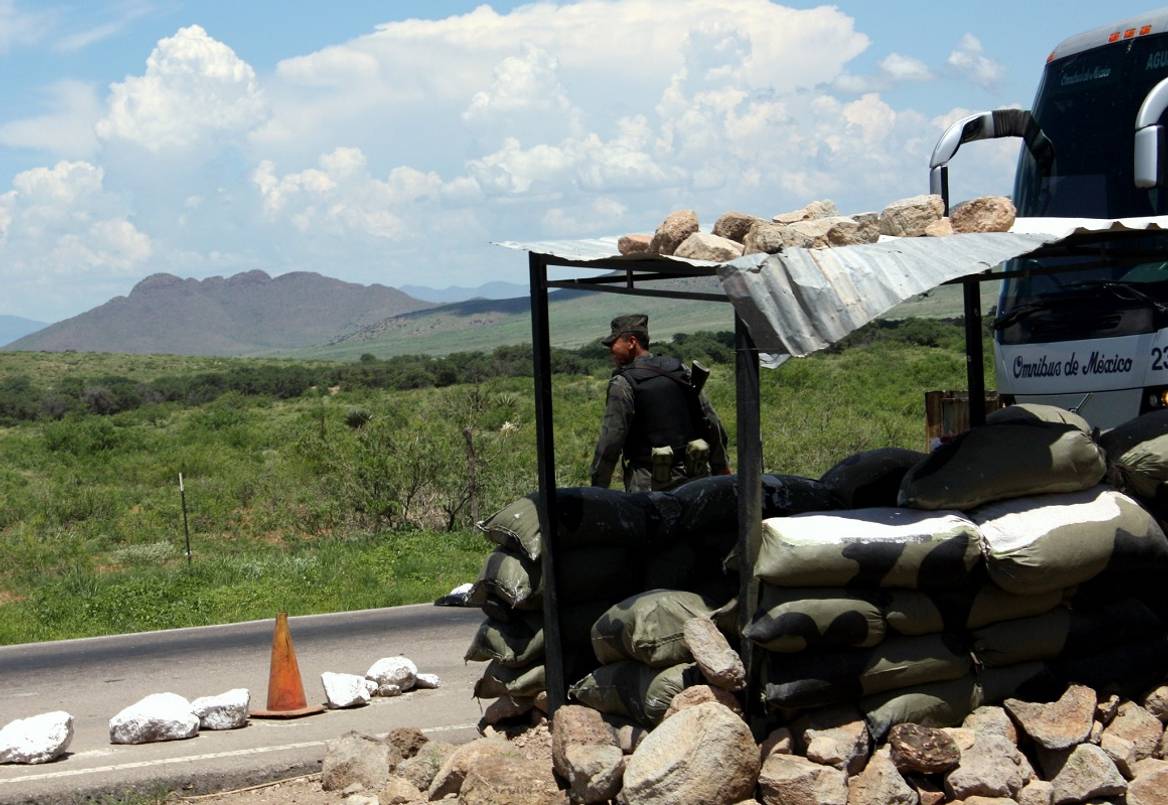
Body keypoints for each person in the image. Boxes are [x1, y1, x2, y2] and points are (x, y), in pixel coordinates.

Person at [590, 314, 731, 492]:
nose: (611, 350)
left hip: (649, 484)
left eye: (613, 344)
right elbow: (711, 422)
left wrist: (598, 487)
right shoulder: (680, 369)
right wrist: (721, 467)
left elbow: (610, 442)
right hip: (695, 476)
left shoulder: (623, 383)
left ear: (631, 342)